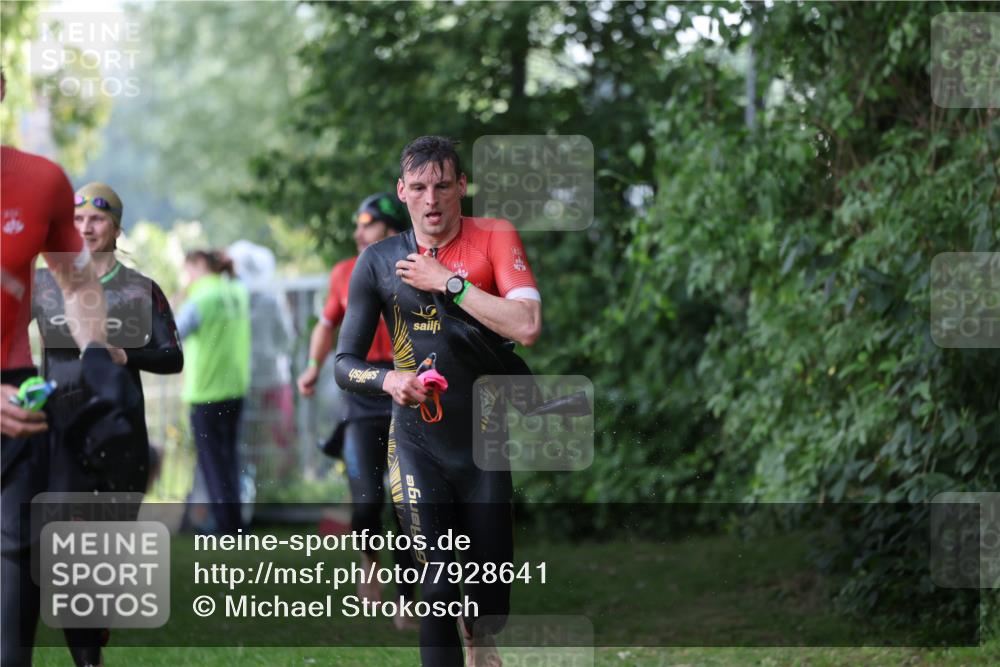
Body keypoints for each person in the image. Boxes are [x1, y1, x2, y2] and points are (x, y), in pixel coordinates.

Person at [334, 136, 541, 667]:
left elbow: (527, 325)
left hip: (483, 443)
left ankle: (481, 635)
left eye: (443, 186)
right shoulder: (377, 261)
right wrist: (390, 382)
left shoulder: (493, 236)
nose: (432, 199)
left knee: (489, 592)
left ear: (461, 187)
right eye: (420, 187)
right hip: (416, 443)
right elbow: (344, 363)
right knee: (439, 581)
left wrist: (449, 284)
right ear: (402, 191)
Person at [0, 71, 126, 667]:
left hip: (15, 405)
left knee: (11, 615)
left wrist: (95, 350)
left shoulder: (41, 181)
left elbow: (76, 284)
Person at [298, 193, 418, 629]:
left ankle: (407, 600)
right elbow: (327, 325)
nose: (357, 232)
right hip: (363, 389)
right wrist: (313, 366)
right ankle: (370, 563)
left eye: (366, 224)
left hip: (410, 390)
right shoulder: (344, 273)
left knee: (408, 501)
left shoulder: (418, 266)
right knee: (367, 500)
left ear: (389, 228)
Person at [34, 182, 184, 493]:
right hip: (58, 430)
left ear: (116, 229)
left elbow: (173, 357)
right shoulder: (45, 284)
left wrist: (126, 355)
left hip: (119, 431)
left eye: (97, 219)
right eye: (78, 219)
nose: (85, 228)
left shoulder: (139, 289)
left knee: (109, 524)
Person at [176, 250, 251, 535]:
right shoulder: (237, 291)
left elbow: (174, 334)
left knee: (213, 463)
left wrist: (178, 298)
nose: (186, 277)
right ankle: (236, 522)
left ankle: (226, 526)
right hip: (235, 389)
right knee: (230, 459)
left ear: (198, 265)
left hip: (205, 391)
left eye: (187, 270)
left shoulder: (200, 298)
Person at [229, 240, 296, 480]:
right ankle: (280, 482)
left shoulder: (232, 301)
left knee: (248, 437)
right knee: (279, 433)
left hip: (242, 380)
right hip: (272, 377)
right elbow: (286, 338)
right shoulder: (271, 301)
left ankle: (253, 481)